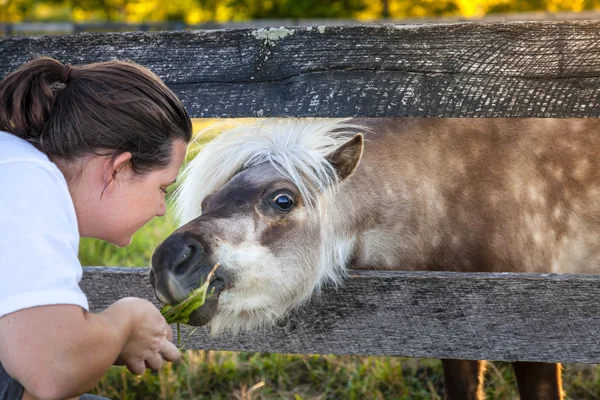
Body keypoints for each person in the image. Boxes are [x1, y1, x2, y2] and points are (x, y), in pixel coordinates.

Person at [0, 56, 193, 400]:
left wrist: (102, 343)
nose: (161, 210)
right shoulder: (26, 178)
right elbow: (53, 370)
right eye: (162, 188)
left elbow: (28, 358)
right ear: (118, 169)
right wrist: (127, 321)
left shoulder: (14, 167)